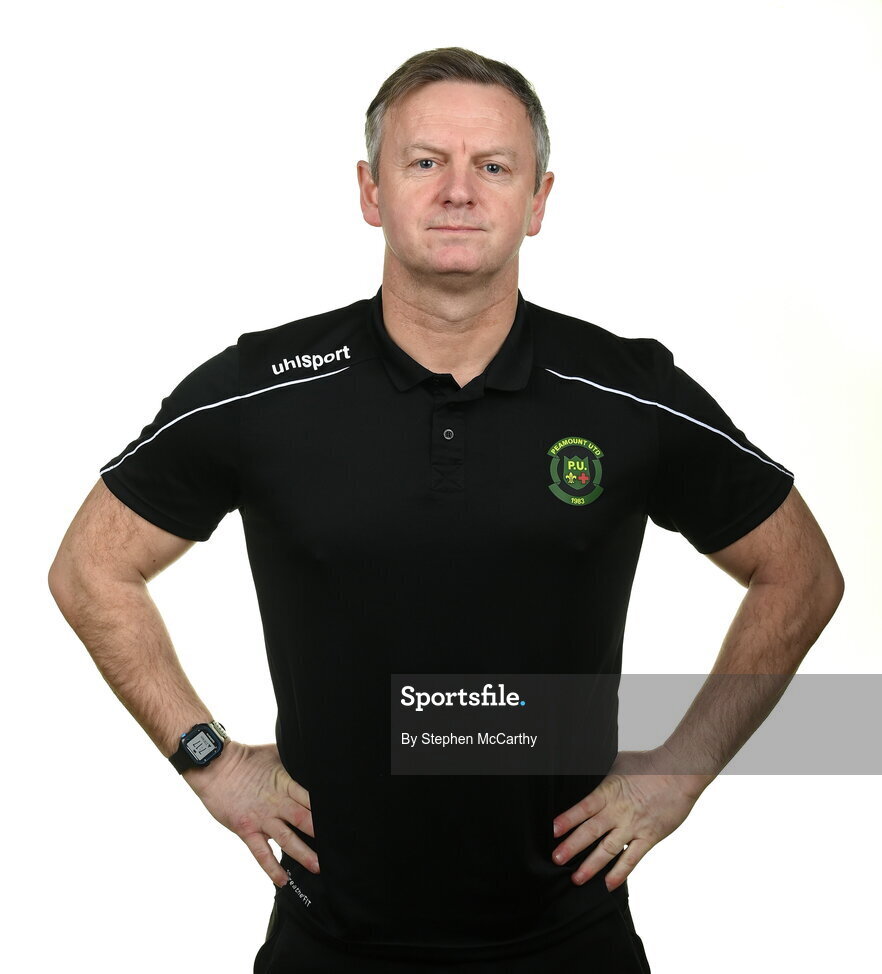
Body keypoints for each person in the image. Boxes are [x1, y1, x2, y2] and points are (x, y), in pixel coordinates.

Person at [48, 46, 843, 973]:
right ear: (371, 190)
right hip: (329, 942)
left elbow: (802, 574)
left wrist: (681, 772)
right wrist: (209, 760)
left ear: (538, 200)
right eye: (425, 162)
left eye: (493, 167)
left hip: (568, 941)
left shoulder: (627, 393)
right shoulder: (261, 390)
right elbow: (90, 567)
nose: (458, 190)